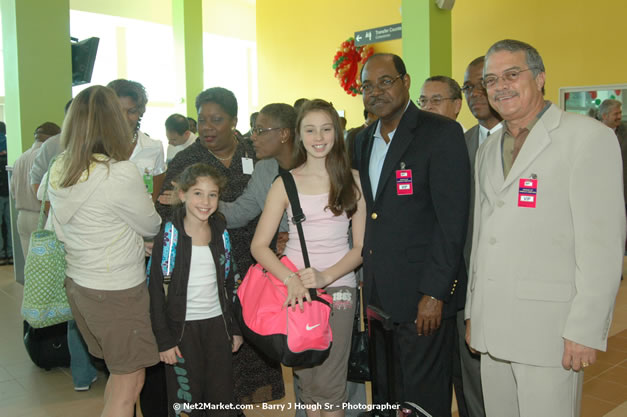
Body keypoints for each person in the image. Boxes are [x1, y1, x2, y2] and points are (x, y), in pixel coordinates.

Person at [465, 39, 624, 417]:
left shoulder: (586, 138)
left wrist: (585, 329)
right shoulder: (488, 148)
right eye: (491, 80)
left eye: (511, 74)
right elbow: (482, 236)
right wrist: (475, 311)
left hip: (549, 330)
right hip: (493, 327)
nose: (500, 86)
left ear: (540, 79)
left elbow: (602, 245)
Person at [353, 53, 470, 417]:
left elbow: (452, 222)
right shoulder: (358, 139)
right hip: (377, 295)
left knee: (423, 399)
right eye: (367, 86)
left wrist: (435, 293)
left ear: (405, 82)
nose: (376, 92)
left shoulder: (440, 133)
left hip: (423, 297)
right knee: (387, 396)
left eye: (385, 82)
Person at [157, 88, 287, 405]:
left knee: (252, 336)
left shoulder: (255, 153)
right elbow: (169, 208)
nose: (208, 127)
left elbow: (279, 194)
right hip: (209, 265)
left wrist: (283, 232)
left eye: (217, 120)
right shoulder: (186, 161)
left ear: (234, 121)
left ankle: (236, 404)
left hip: (257, 259)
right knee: (215, 343)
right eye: (202, 120)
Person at [39, 85, 162, 417]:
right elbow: (151, 225)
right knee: (130, 381)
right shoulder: (118, 172)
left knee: (118, 376)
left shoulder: (61, 167)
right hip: (117, 290)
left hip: (81, 285)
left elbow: (66, 227)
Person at [251, 99, 365, 416]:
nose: (319, 137)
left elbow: (360, 247)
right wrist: (291, 280)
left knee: (329, 384)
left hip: (338, 288)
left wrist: (326, 276)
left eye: (326, 129)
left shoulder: (353, 180)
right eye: (310, 129)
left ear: (337, 133)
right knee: (307, 382)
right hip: (294, 292)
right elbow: (259, 246)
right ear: (299, 135)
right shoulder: (284, 183)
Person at [149, 163, 243, 417]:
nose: (206, 201)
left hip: (216, 327)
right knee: (186, 401)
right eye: (198, 193)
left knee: (221, 400)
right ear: (182, 195)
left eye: (212, 194)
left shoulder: (221, 234)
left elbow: (231, 284)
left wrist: (234, 328)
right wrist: (164, 341)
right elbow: (155, 294)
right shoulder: (168, 238)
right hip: (181, 332)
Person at [107, 79, 166, 202]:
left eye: (131, 112)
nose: (124, 118)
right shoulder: (95, 147)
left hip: (142, 219)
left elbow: (153, 198)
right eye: (117, 112)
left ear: (140, 112)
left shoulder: (154, 147)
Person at [11, 122, 60, 259]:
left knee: (32, 267)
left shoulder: (20, 158)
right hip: (41, 217)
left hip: (21, 216)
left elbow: (13, 190)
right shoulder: (45, 156)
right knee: (47, 266)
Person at [0, 121, 11, 265]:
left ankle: (1, 255)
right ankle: (11, 253)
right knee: (9, 223)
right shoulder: (10, 143)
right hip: (9, 191)